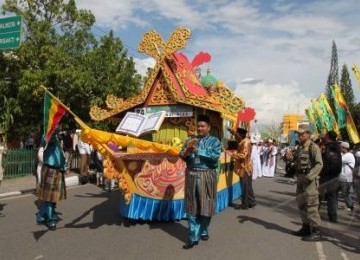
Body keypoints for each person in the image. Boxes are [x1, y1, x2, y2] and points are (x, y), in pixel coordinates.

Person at [179, 114, 222, 249]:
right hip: (191, 174)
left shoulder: (215, 141)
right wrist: (187, 151)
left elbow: (215, 156)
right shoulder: (190, 140)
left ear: (208, 128)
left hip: (207, 176)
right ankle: (193, 236)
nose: (200, 128)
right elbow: (181, 155)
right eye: (198, 126)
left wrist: (198, 150)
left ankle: (203, 229)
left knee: (206, 205)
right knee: (191, 205)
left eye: (203, 126)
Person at [291, 128, 323, 241]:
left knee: (311, 205)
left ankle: (316, 231)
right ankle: (305, 227)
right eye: (298, 135)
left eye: (302, 134)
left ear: (308, 135)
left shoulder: (313, 147)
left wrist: (309, 176)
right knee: (301, 204)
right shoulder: (300, 147)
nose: (299, 136)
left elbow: (319, 164)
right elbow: (298, 162)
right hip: (300, 179)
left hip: (309, 181)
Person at [36, 130, 67, 230]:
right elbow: (42, 154)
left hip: (58, 171)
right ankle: (50, 220)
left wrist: (64, 166)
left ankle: (45, 215)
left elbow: (60, 155)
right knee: (49, 198)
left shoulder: (56, 139)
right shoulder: (47, 137)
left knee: (53, 197)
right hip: (50, 171)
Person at [230, 127, 256, 209]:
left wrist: (233, 155)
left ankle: (244, 205)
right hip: (245, 167)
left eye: (237, 134)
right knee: (248, 186)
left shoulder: (245, 143)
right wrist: (232, 132)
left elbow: (243, 155)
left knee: (244, 187)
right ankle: (252, 202)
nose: (236, 137)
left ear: (241, 135)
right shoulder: (244, 140)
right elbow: (237, 137)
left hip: (244, 167)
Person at [318, 130, 342, 222]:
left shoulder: (327, 147)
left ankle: (314, 213)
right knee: (332, 196)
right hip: (335, 174)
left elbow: (325, 159)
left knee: (319, 194)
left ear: (328, 136)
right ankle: (333, 216)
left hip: (326, 174)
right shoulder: (337, 146)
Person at [339, 141, 355, 211]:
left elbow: (339, 160)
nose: (339, 148)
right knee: (344, 193)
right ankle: (349, 205)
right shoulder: (343, 154)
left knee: (345, 193)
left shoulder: (349, 155)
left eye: (341, 147)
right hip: (342, 177)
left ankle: (350, 206)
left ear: (344, 148)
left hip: (346, 178)